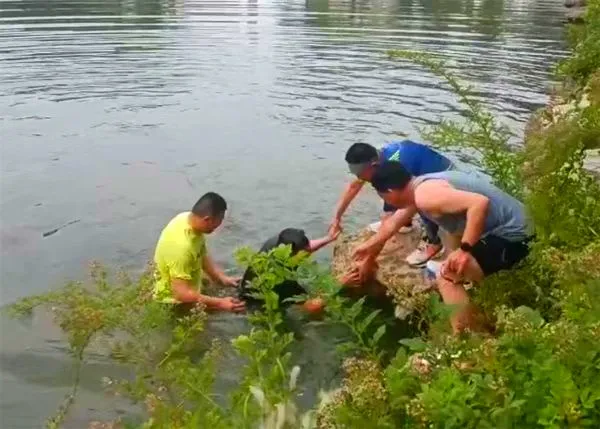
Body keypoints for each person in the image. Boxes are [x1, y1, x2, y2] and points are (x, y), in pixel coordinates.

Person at [357, 161, 533, 333]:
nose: (386, 202)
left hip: (516, 235)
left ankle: (467, 339)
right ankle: (477, 314)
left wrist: (464, 250)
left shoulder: (425, 196)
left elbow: (479, 203)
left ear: (390, 191)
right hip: (523, 225)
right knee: (451, 250)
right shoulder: (422, 186)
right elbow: (392, 225)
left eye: (383, 197)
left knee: (447, 276)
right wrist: (368, 250)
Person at [329, 140, 453, 268]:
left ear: (374, 165)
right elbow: (354, 186)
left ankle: (434, 243)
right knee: (395, 196)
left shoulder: (399, 164)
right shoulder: (377, 156)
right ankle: (407, 223)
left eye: (361, 175)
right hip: (422, 175)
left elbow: (392, 218)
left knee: (419, 201)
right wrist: (336, 219)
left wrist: (370, 259)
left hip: (444, 181)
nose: (360, 179)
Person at [153, 192, 245, 313]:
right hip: (174, 304)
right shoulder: (182, 247)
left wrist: (220, 278)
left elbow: (200, 252)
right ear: (207, 219)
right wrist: (220, 303)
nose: (219, 226)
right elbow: (181, 294)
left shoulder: (186, 218)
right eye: (219, 220)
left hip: (188, 290)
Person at [238, 228, 339, 312]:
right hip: (258, 303)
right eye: (303, 252)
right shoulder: (279, 278)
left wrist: (329, 238)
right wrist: (338, 285)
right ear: (291, 255)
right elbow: (309, 308)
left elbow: (306, 248)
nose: (308, 253)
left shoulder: (278, 243)